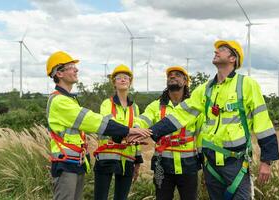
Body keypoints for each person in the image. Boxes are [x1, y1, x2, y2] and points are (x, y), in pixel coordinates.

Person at [146, 40, 279, 200]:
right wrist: (150, 131)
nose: (216, 51)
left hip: (236, 163)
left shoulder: (247, 85)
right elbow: (181, 114)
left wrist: (266, 161)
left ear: (233, 58)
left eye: (222, 49)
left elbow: (263, 123)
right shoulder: (205, 89)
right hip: (211, 165)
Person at [46, 51, 151, 200]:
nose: (76, 69)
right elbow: (94, 121)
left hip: (75, 163)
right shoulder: (60, 101)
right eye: (71, 67)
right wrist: (128, 130)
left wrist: (137, 156)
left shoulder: (69, 100)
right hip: (66, 163)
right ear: (59, 73)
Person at [136, 66, 203, 200]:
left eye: (177, 75)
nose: (172, 76)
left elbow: (201, 135)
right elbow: (143, 119)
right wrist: (135, 128)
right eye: (170, 75)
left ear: (185, 82)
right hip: (162, 166)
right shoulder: (155, 106)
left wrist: (204, 161)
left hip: (188, 166)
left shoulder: (193, 107)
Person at [93, 64, 143, 200]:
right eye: (119, 77)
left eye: (126, 77)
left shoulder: (135, 108)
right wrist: (128, 135)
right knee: (100, 197)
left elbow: (137, 134)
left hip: (127, 159)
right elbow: (110, 126)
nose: (123, 80)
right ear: (114, 83)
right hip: (106, 158)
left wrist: (137, 160)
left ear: (130, 82)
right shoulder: (106, 104)